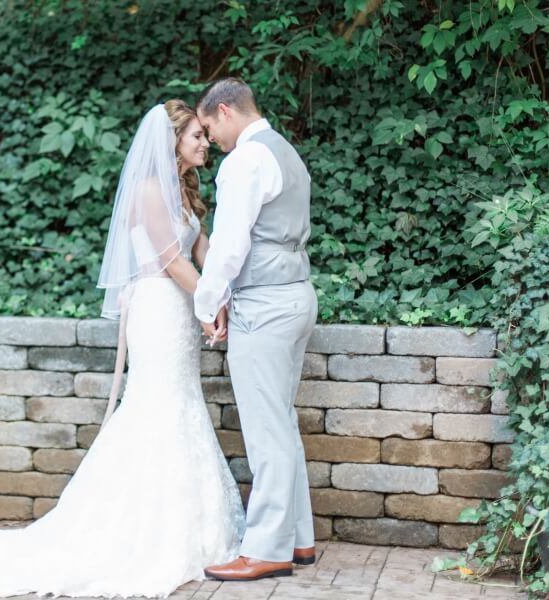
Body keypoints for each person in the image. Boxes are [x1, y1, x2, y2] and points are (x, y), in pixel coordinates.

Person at [0, 100, 245, 598]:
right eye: (196, 135)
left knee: (183, 404)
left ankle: (192, 528)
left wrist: (221, 298)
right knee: (156, 406)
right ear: (172, 140)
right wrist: (209, 305)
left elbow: (201, 251)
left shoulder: (185, 192)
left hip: (181, 311)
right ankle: (134, 532)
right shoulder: (149, 192)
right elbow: (172, 263)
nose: (203, 142)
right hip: (158, 310)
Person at [194, 77, 318, 582]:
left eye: (208, 128)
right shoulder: (285, 150)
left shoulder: (245, 160)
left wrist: (208, 301)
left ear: (224, 111)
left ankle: (267, 547)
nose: (211, 140)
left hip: (263, 306)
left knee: (267, 432)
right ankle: (300, 540)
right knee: (281, 423)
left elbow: (228, 244)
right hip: (297, 296)